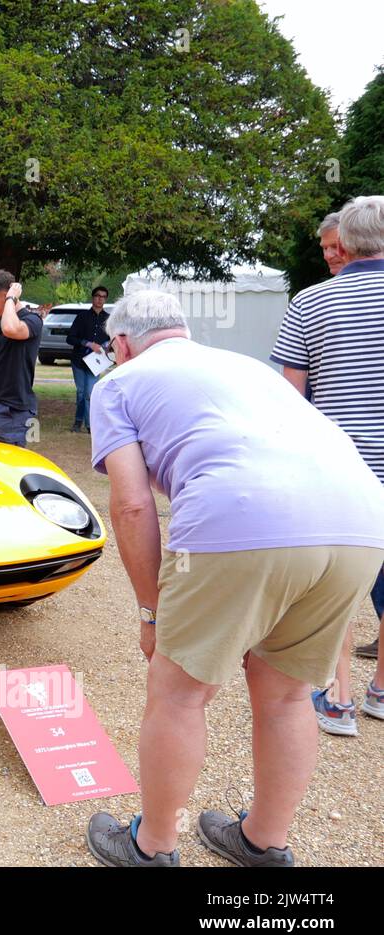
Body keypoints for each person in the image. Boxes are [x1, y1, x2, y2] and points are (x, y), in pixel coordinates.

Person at [83, 290, 384, 867]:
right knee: (290, 693)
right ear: (182, 330)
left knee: (179, 692)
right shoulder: (246, 366)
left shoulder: (120, 381)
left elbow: (132, 506)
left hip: (244, 518)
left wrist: (152, 612)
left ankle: (152, 847)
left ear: (121, 343)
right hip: (361, 521)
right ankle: (265, 841)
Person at [270, 196, 384, 732]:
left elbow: (291, 402)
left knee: (337, 585)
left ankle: (337, 699)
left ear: (347, 241)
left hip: (340, 472)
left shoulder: (311, 302)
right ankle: (380, 691)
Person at [0, 270, 42, 447]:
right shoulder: (1, 324)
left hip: (14, 410)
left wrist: (11, 299)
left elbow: (11, 330)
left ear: (6, 296)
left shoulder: (32, 320)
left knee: (8, 467)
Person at [65, 285, 112, 433]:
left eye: (103, 297)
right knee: (80, 392)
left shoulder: (109, 319)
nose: (100, 299)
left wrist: (107, 345)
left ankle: (90, 425)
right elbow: (70, 338)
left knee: (90, 393)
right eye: (98, 296)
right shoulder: (82, 317)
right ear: (93, 297)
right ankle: (78, 422)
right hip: (79, 360)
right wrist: (88, 343)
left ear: (105, 299)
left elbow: (113, 340)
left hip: (96, 363)